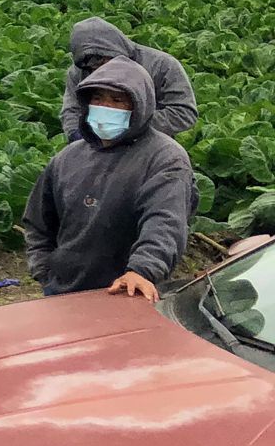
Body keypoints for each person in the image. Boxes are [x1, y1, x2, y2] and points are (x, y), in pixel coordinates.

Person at [25, 59, 195, 299]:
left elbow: (165, 223)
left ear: (140, 105)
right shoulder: (68, 157)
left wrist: (141, 270)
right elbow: (39, 221)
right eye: (98, 99)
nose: (106, 107)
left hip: (126, 292)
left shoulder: (165, 158)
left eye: (117, 101)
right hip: (61, 293)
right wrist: (44, 269)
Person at [60, 18, 196, 142]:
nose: (98, 67)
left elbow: (184, 113)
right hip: (97, 144)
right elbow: (72, 110)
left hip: (152, 143)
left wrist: (130, 124)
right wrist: (78, 135)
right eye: (90, 63)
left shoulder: (161, 65)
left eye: (101, 58)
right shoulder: (79, 72)